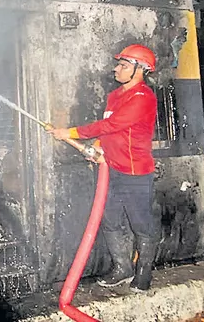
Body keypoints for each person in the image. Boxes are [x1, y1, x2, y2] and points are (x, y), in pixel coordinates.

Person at [49, 44, 159, 292]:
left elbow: (112, 125)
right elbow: (108, 132)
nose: (116, 69)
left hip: (135, 173)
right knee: (110, 221)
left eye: (123, 65)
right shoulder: (115, 96)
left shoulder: (143, 98)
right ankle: (122, 268)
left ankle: (144, 272)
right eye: (118, 64)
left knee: (141, 224)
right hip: (110, 169)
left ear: (140, 70)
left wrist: (71, 132)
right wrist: (97, 147)